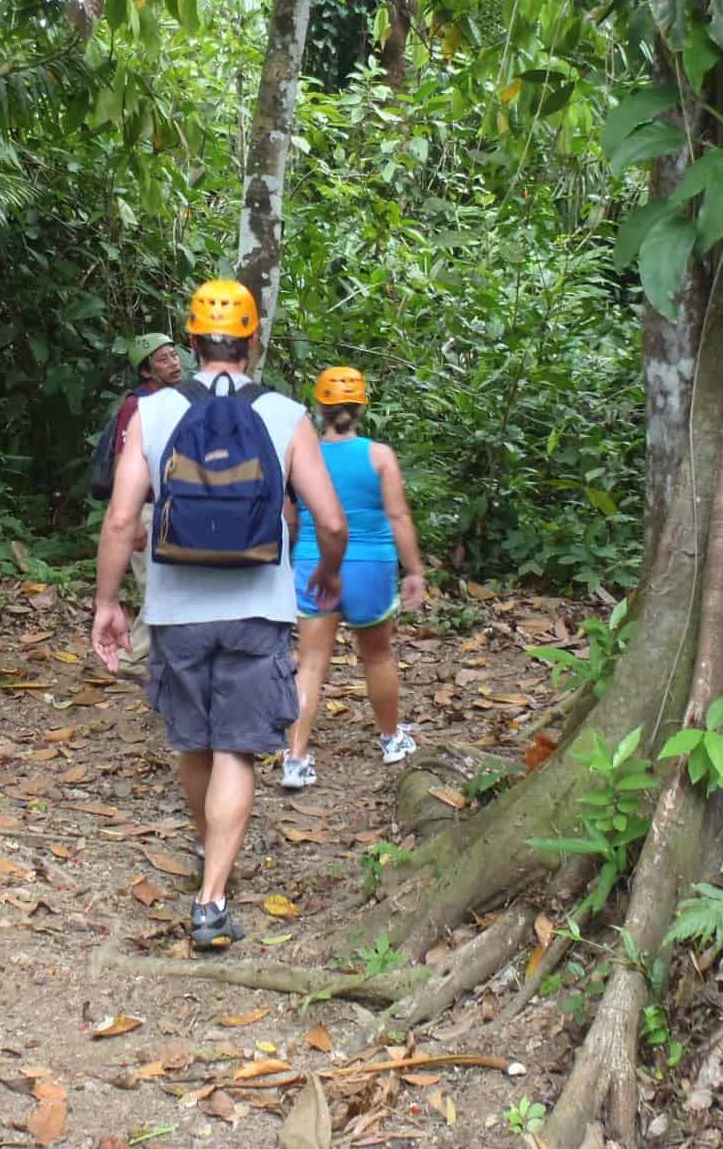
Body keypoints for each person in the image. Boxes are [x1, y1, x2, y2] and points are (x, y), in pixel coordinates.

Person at [91, 279, 347, 952]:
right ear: (254, 338)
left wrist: (107, 602)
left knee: (192, 740)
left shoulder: (153, 413)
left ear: (194, 338)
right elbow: (330, 519)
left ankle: (212, 859)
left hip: (176, 607)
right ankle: (212, 900)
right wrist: (323, 571)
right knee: (237, 746)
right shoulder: (288, 413)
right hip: (258, 605)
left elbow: (122, 519)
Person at [281, 366, 424, 789]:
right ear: (362, 407)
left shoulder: (300, 454)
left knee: (310, 663)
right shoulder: (379, 456)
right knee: (377, 655)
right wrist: (414, 569)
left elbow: (290, 517)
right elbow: (397, 515)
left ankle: (295, 759)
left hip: (314, 561)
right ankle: (391, 740)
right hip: (371, 566)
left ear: (319, 409)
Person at [110, 333, 182, 664]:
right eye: (163, 359)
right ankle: (132, 655)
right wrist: (134, 514)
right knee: (153, 585)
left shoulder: (181, 400)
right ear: (146, 370)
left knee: (170, 584)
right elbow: (124, 462)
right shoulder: (136, 406)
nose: (174, 362)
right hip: (149, 507)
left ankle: (158, 654)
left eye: (174, 355)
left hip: (176, 506)